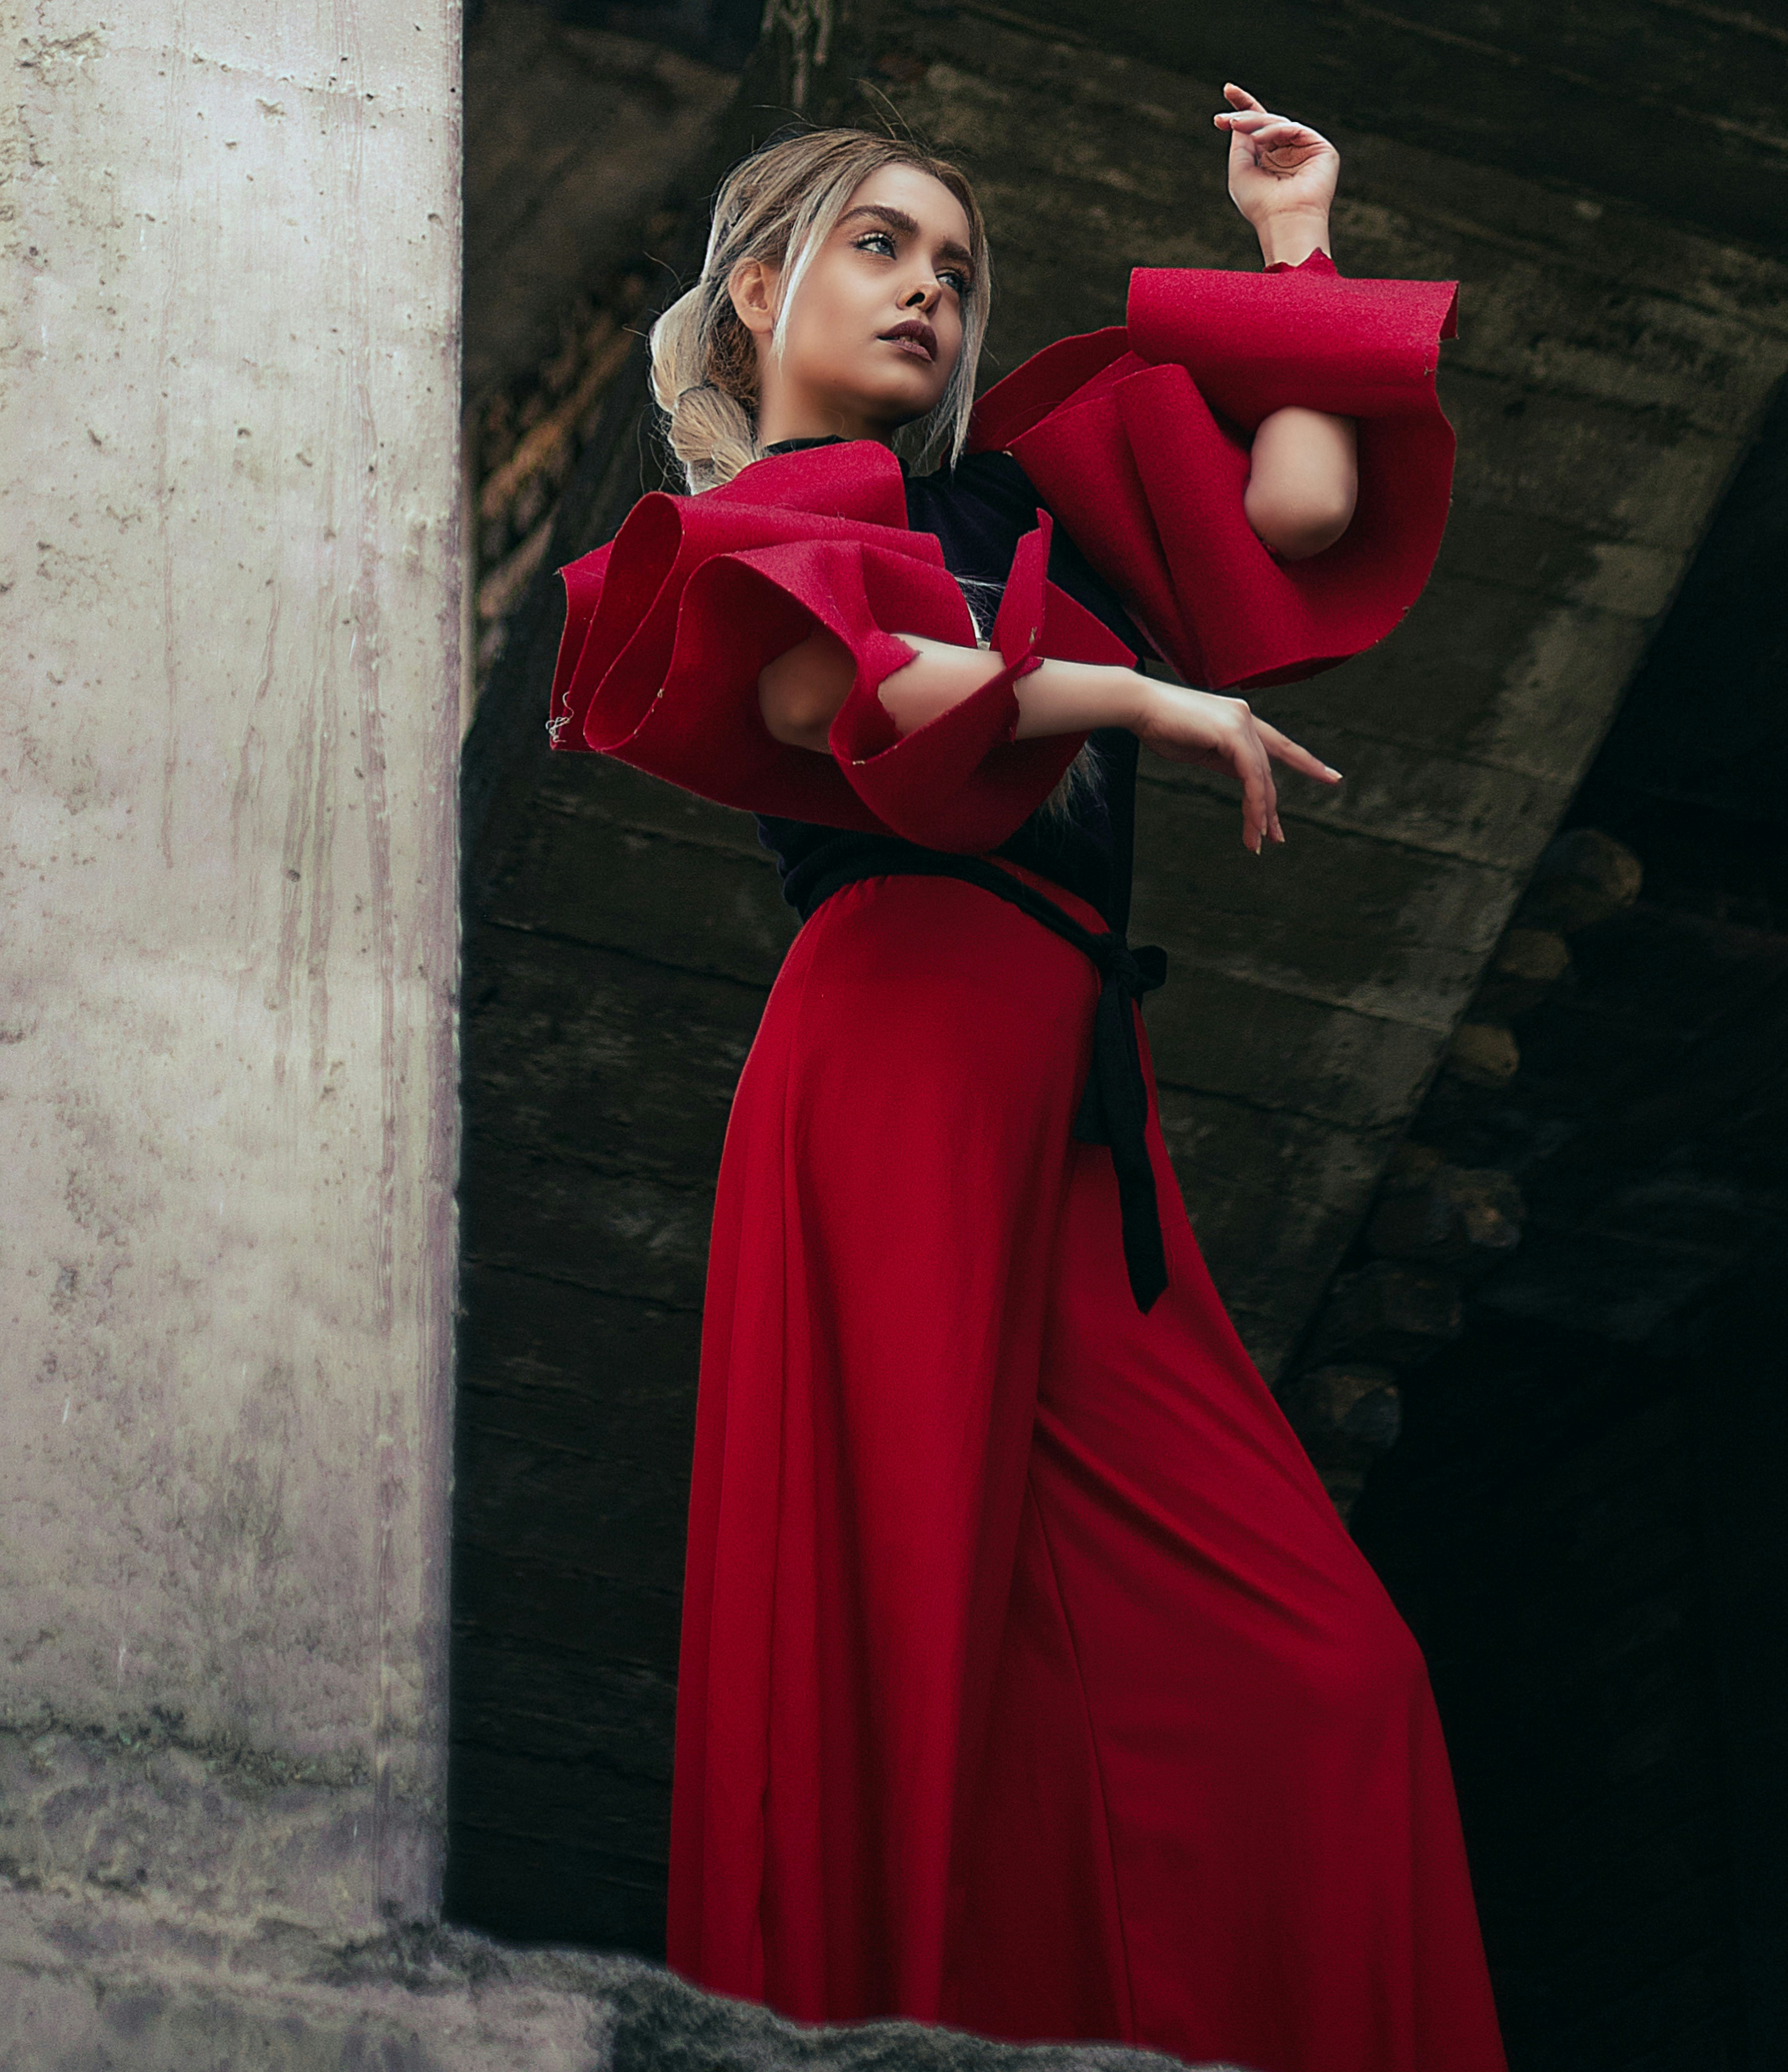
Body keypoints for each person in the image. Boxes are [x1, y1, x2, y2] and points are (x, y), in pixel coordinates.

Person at [547, 86, 1507, 2072]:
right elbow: (845, 688)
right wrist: (1146, 696)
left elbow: (1300, 510)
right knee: (902, 1621)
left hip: (1072, 1097)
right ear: (760, 293)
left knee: (1338, 1672)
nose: (929, 290)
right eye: (881, 245)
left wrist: (1295, 244)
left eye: (956, 269)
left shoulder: (1022, 505)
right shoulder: (766, 508)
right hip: (896, 1055)